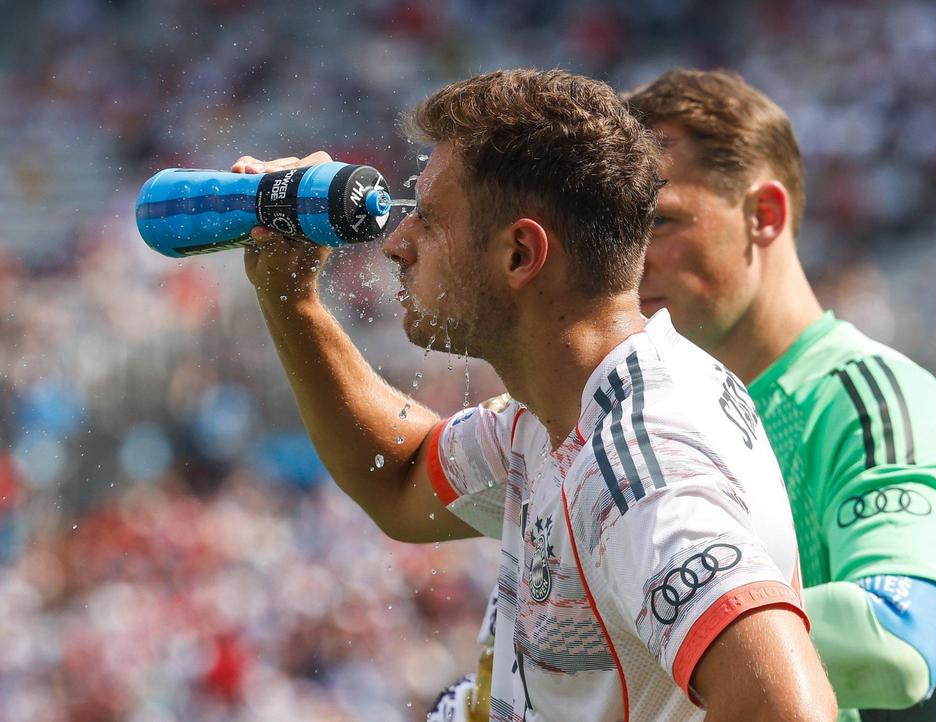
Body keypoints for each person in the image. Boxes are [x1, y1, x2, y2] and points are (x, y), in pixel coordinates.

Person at [233, 69, 837, 722]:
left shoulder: (639, 464)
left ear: (521, 253)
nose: (399, 246)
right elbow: (400, 481)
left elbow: (786, 709)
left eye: (430, 222)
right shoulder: (570, 405)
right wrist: (291, 298)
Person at [624, 69, 936, 722]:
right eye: (622, 229)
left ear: (764, 215)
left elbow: (900, 636)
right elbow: (412, 488)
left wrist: (652, 624)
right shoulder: (653, 412)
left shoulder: (866, 395)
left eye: (661, 222)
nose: (631, 256)